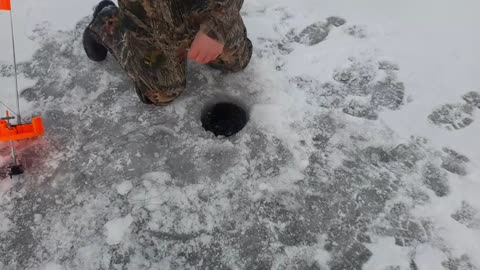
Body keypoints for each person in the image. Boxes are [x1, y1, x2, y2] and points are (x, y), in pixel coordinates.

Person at [82, 0, 253, 105]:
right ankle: (108, 23)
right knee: (163, 92)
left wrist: (216, 26)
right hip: (153, 19)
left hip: (207, 7)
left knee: (236, 61)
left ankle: (196, 34)